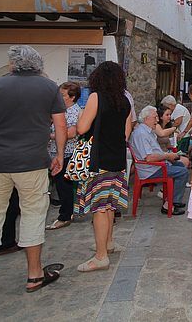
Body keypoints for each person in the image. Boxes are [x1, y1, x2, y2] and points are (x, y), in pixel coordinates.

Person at [0, 45, 66, 300]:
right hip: (33, 161)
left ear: (12, 64)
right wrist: (59, 155)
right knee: (33, 214)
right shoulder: (49, 88)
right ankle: (34, 275)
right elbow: (60, 125)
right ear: (38, 65)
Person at [74, 62, 133, 272]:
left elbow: (82, 128)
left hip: (99, 160)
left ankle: (101, 257)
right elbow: (126, 132)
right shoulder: (125, 101)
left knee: (98, 207)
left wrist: (81, 116)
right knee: (109, 205)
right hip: (118, 159)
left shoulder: (96, 98)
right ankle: (108, 243)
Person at [130, 106, 190, 215]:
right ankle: (169, 205)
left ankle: (173, 200)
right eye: (155, 117)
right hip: (151, 169)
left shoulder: (147, 131)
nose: (157, 120)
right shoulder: (142, 134)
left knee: (180, 166)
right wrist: (167, 156)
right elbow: (149, 158)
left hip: (156, 165)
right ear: (146, 118)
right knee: (183, 172)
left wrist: (168, 155)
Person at [46, 82, 82, 231]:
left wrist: (48, 135)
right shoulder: (60, 110)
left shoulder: (74, 112)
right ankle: (67, 213)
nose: (59, 97)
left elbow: (71, 133)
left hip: (67, 153)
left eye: (62, 95)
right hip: (55, 152)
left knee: (64, 186)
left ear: (72, 97)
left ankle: (65, 216)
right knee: (60, 185)